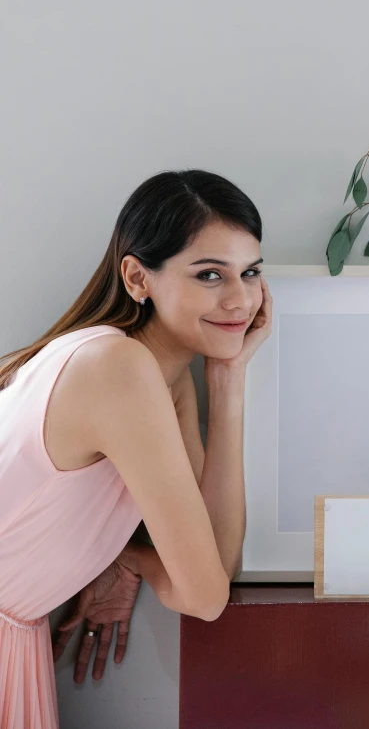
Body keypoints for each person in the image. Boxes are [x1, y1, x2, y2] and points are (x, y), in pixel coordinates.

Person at [0, 169, 273, 728]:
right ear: (137, 277)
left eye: (250, 272)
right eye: (209, 274)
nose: (240, 298)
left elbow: (215, 568)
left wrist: (227, 380)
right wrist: (128, 556)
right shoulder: (117, 369)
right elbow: (203, 594)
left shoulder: (161, 380)